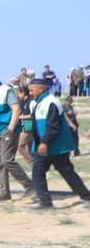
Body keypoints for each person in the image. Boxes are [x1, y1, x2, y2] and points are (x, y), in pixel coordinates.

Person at [26, 75, 90, 209]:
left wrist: (45, 142)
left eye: (32, 90)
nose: (30, 93)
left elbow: (53, 126)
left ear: (42, 89)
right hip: (43, 145)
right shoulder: (36, 103)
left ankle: (86, 196)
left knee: (67, 172)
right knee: (38, 172)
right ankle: (45, 202)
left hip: (55, 146)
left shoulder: (51, 102)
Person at [0, 67, 32, 201]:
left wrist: (10, 128)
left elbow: (16, 109)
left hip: (7, 131)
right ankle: (4, 192)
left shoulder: (6, 91)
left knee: (7, 160)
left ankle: (30, 185)